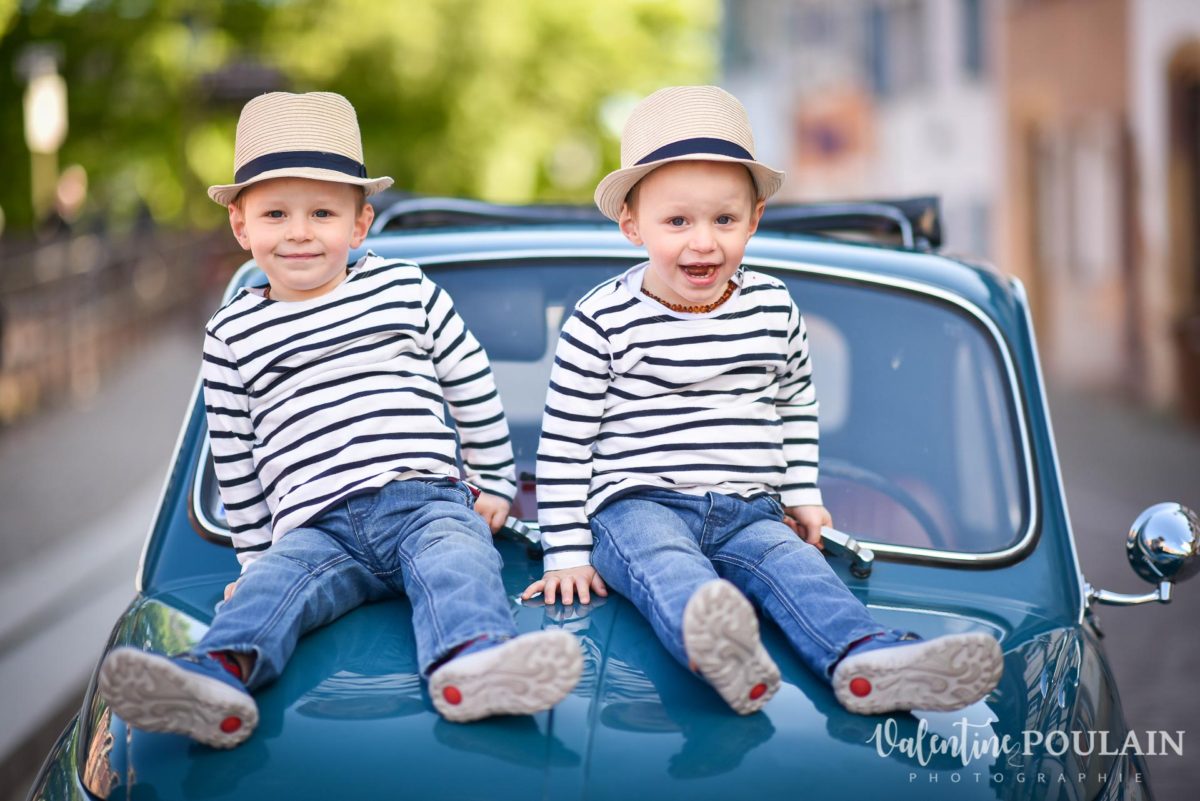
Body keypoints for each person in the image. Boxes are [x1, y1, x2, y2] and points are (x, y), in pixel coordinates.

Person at [98, 92, 581, 748]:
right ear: (242, 226)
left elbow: (468, 374)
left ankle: (473, 662)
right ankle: (214, 678)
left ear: (359, 225)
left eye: (322, 212)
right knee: (269, 589)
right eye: (276, 213)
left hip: (426, 501)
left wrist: (495, 478)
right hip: (314, 525)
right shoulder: (232, 330)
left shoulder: (404, 289)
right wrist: (255, 553)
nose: (299, 231)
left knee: (463, 560)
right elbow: (235, 452)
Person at [522, 85, 1002, 716]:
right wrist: (565, 552)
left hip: (750, 507)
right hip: (636, 504)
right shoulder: (600, 318)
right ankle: (721, 647)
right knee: (667, 565)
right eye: (677, 221)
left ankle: (867, 657)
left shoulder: (772, 308)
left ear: (754, 219)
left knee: (800, 570)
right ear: (632, 225)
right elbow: (564, 443)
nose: (703, 243)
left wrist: (803, 493)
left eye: (724, 220)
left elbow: (796, 398)